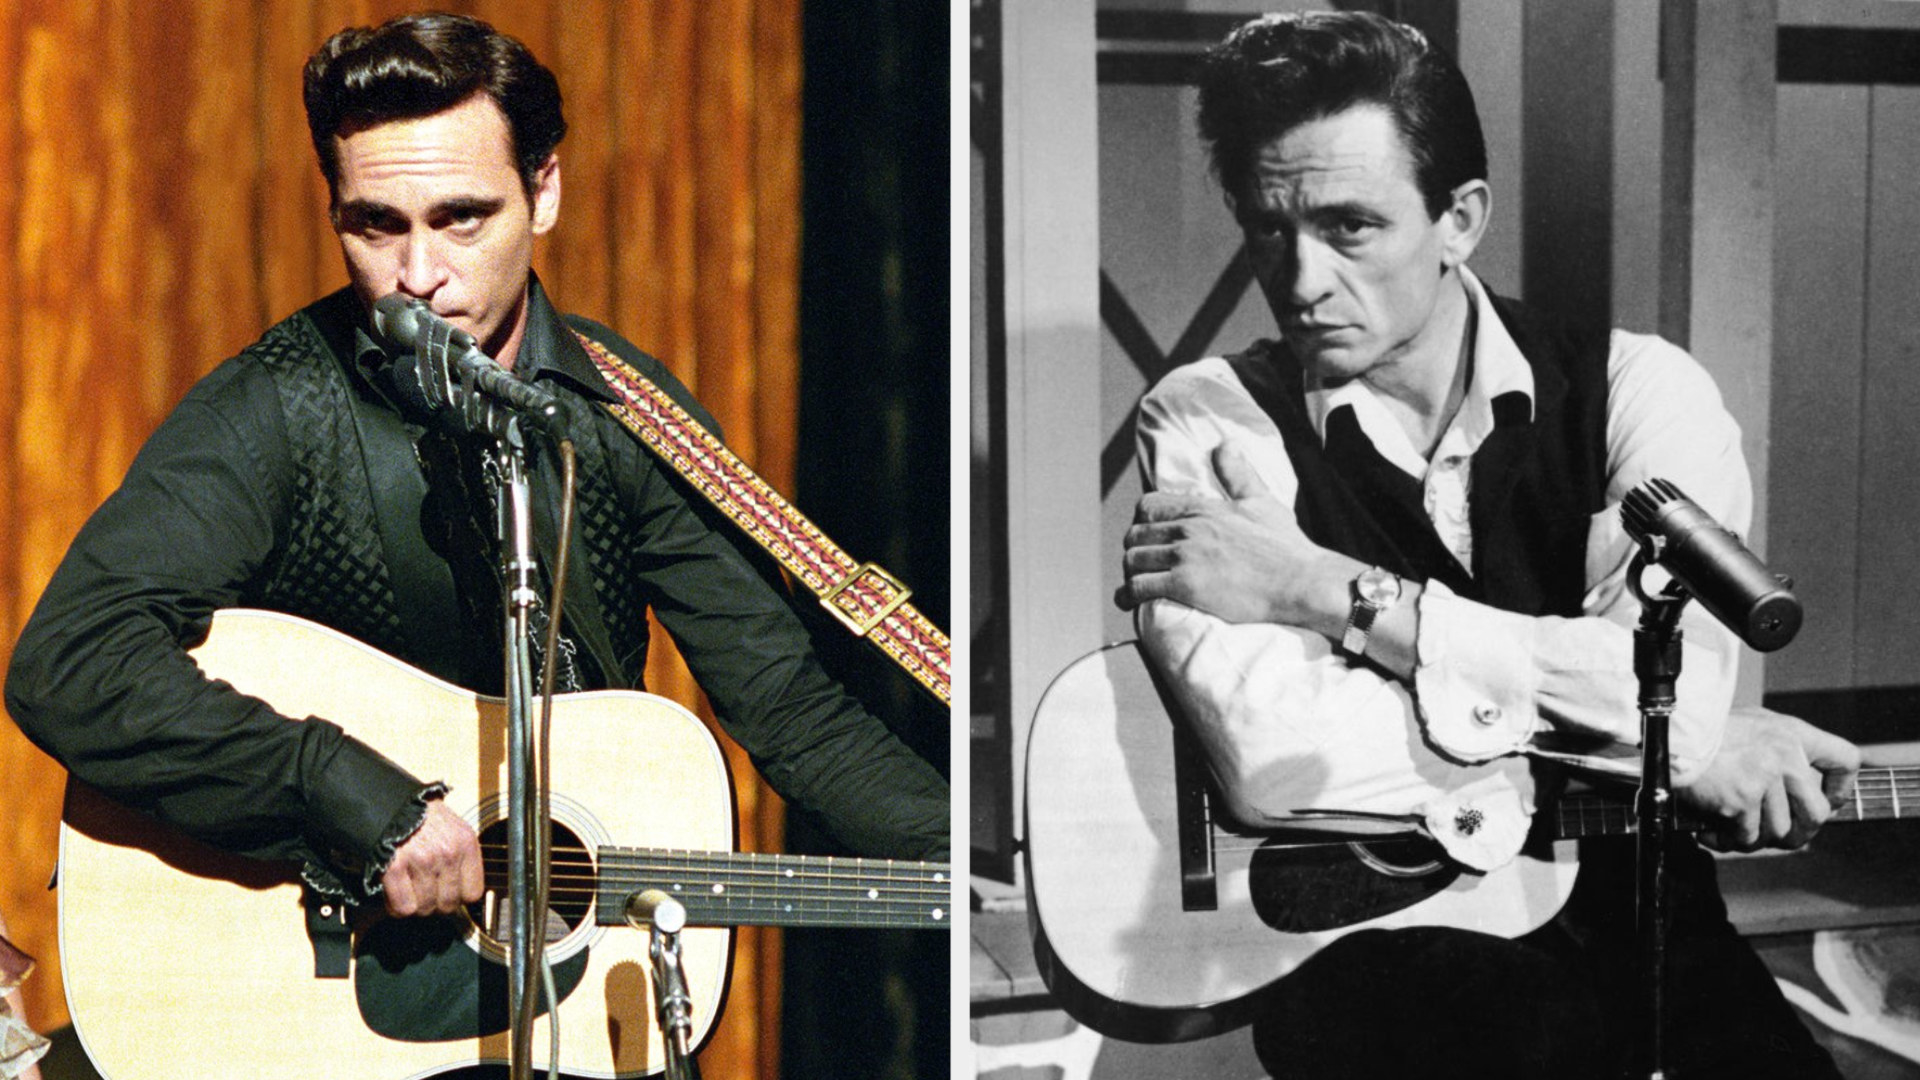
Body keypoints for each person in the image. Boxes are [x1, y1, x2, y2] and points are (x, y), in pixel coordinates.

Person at [4, 11, 945, 1076]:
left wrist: (971, 862)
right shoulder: (273, 408)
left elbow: (791, 710)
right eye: (374, 225)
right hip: (314, 1002)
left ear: (544, 191)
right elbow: (69, 660)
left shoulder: (625, 413)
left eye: (462, 219)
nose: (417, 274)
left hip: (555, 1015)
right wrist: (355, 797)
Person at [1115, 12, 1855, 1079]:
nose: (1303, 277)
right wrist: (1658, 749)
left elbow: (1672, 700)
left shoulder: (1642, 392)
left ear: (1459, 218)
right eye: (1269, 227)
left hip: (1648, 931)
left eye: (1350, 226)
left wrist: (1327, 593)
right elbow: (1271, 760)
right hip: (1371, 950)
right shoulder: (1208, 417)